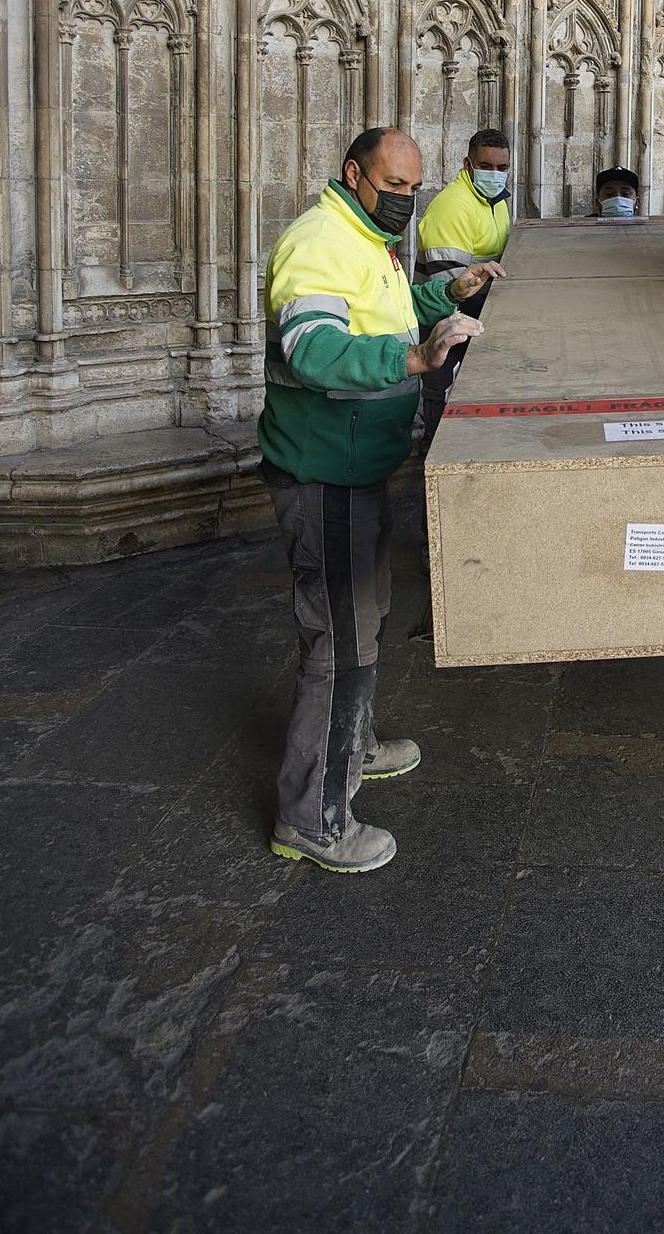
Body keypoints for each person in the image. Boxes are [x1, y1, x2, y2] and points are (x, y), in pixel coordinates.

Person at [259, 126, 501, 874]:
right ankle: (313, 819)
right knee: (338, 643)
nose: (405, 199)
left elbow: (388, 311)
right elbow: (314, 347)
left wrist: (442, 294)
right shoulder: (320, 241)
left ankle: (355, 746)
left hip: (360, 463)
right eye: (393, 186)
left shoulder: (366, 239)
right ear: (353, 174)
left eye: (412, 188)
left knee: (363, 619)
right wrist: (415, 355)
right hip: (325, 470)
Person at [415, 128, 512, 442]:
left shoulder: (494, 201)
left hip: (476, 327)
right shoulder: (454, 206)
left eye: (502, 168)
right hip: (447, 334)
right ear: (467, 164)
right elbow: (449, 289)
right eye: (486, 166)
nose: (494, 174)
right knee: (443, 424)